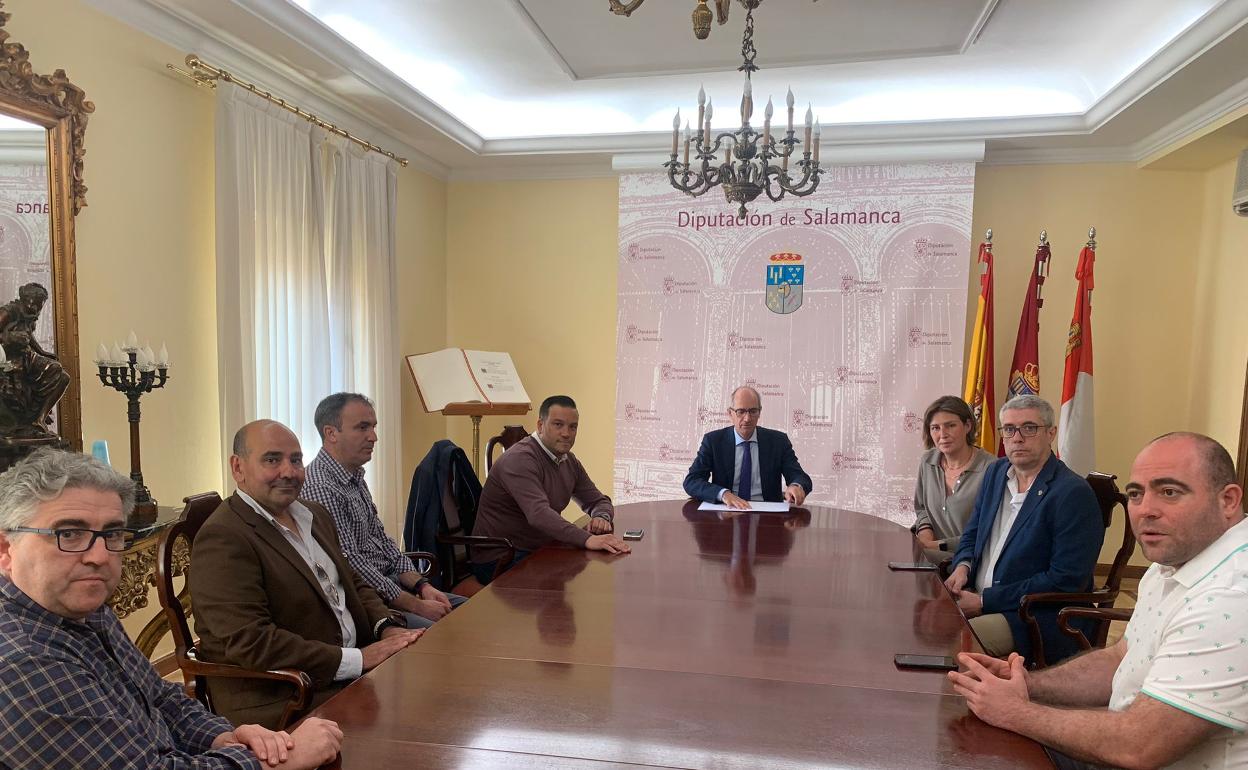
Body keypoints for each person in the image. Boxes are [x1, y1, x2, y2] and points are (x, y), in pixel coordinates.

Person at [0, 448, 342, 769]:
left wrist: (223, 737)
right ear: (5, 549)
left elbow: (159, 697)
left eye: (113, 533)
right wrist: (274, 764)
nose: (100, 556)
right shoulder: (19, 659)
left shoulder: (82, 607)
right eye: (70, 533)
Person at [949, 432, 1248, 770]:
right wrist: (1027, 684)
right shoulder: (1174, 563)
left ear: (1228, 501)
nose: (1146, 510)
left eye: (1170, 492)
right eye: (1136, 494)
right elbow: (1122, 658)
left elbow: (1139, 745)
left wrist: (1017, 712)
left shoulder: (1231, 596)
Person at [190, 420, 423, 729]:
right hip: (288, 696)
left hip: (351, 672)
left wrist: (386, 627)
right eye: (272, 460)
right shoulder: (224, 538)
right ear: (238, 467)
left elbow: (350, 581)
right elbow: (253, 642)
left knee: (443, 691)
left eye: (296, 460)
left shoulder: (313, 515)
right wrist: (358, 660)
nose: (288, 471)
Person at [943, 394, 1102, 663]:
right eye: (1009, 429)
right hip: (982, 598)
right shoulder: (996, 473)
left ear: (1051, 433)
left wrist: (984, 602)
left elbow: (1065, 580)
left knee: (953, 643)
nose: (1017, 437)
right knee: (924, 629)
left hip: (1036, 616)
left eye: (1029, 428)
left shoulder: (1071, 493)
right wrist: (963, 566)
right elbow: (973, 532)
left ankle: (980, 705)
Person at [303, 392, 466, 629]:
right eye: (362, 427)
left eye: (373, 427)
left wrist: (423, 586)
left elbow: (384, 543)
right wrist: (416, 605)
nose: (373, 437)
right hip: (368, 602)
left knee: (470, 612)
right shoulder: (320, 487)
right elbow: (352, 565)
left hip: (393, 588)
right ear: (331, 433)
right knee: (444, 632)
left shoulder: (354, 476)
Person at [471, 395, 631, 585]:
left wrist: (601, 517)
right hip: (500, 557)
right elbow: (539, 514)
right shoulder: (520, 459)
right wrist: (588, 539)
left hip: (538, 548)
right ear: (540, 425)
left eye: (573, 427)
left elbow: (598, 501)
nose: (566, 433)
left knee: (591, 571)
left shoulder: (568, 461)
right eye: (558, 424)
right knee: (578, 576)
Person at [683, 385, 813, 509]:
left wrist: (796, 486)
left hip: (768, 515)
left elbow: (800, 476)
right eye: (741, 411)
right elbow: (692, 481)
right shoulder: (714, 441)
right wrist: (723, 494)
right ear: (730, 413)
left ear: (759, 412)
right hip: (726, 512)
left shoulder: (778, 442)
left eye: (753, 411)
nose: (747, 418)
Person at [911, 395, 994, 561]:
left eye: (950, 425)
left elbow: (988, 531)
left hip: (972, 560)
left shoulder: (992, 468)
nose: (943, 434)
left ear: (968, 425)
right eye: (935, 428)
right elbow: (922, 510)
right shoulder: (927, 461)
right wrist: (925, 538)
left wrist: (937, 545)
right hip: (931, 555)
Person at [0, 283, 70, 436]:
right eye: (37, 305)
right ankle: (20, 422)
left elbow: (29, 336)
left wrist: (42, 351)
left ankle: (39, 419)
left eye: (40, 306)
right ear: (27, 300)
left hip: (27, 356)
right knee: (17, 387)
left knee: (62, 376)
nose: (38, 310)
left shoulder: (29, 315)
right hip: (8, 359)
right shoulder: (9, 312)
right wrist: (10, 338)